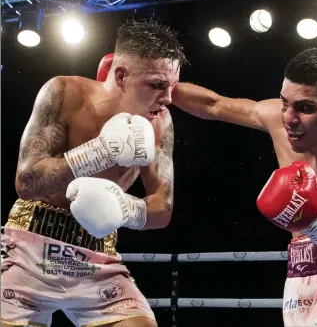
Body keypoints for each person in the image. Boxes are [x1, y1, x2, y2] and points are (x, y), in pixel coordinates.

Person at [171, 48, 317, 326]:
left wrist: (312, 221)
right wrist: (160, 84)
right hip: (299, 272)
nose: (289, 118)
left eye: (306, 107)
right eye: (285, 102)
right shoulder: (276, 118)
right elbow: (214, 105)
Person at [1, 19, 185, 327]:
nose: (166, 98)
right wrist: (100, 151)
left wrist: (125, 208)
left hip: (96, 257)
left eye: (172, 86)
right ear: (122, 75)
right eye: (155, 85)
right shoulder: (63, 92)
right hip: (28, 249)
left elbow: (162, 207)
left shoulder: (160, 123)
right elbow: (26, 182)